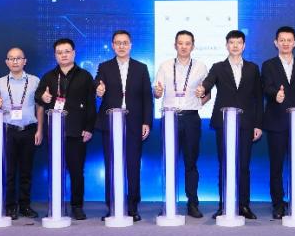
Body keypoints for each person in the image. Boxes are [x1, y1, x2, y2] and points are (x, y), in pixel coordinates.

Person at [195, 29, 263, 220]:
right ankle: (223, 205)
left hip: (246, 123)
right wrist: (202, 89)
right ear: (226, 45)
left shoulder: (252, 68)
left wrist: (258, 124)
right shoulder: (218, 67)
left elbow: (258, 97)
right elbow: (208, 83)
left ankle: (244, 205)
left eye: (238, 42)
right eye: (231, 42)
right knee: (225, 164)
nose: (235, 46)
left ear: (244, 45)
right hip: (223, 123)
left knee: (244, 165)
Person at [94, 30, 152, 222]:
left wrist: (146, 122)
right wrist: (98, 89)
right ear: (112, 45)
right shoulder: (104, 67)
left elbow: (147, 97)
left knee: (133, 165)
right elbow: (97, 84)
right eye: (118, 43)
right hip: (111, 123)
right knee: (111, 165)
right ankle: (112, 206)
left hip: (134, 122)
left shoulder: (141, 68)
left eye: (125, 42)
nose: (121, 46)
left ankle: (133, 206)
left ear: (130, 45)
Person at [35, 38, 96, 220]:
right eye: (59, 52)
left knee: (77, 172)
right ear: (55, 55)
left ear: (74, 53)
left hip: (77, 132)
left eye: (67, 51)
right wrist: (43, 97)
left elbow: (91, 105)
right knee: (55, 170)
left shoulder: (85, 76)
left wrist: (89, 128)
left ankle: (77, 206)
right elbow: (38, 96)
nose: (63, 55)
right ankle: (56, 204)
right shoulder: (48, 76)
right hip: (54, 132)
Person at [153, 30, 210, 218]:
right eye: (180, 43)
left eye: (187, 43)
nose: (184, 46)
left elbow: (207, 94)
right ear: (175, 45)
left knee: (191, 162)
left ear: (193, 46)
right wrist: (157, 92)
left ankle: (192, 203)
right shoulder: (165, 66)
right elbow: (157, 93)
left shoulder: (201, 67)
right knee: (169, 162)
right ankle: (169, 202)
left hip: (191, 118)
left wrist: (199, 100)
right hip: (170, 118)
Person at [261, 26, 295, 219]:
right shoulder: (268, 65)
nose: (285, 43)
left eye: (289, 40)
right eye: (282, 40)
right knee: (276, 166)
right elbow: (265, 87)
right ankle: (278, 204)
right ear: (276, 43)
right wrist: (275, 94)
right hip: (276, 122)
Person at [0, 46, 42, 220]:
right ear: (6, 62)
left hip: (29, 130)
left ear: (24, 61)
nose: (15, 61)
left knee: (26, 171)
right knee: (9, 172)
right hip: (8, 131)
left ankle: (25, 205)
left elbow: (40, 107)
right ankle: (10, 206)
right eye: (11, 58)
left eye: (18, 58)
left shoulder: (35, 81)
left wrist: (40, 129)